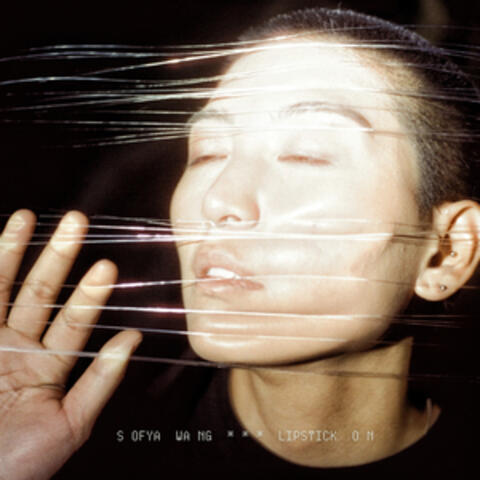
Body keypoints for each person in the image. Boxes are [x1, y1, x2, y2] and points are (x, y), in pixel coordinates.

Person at [0, 6, 479, 478]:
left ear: (447, 251)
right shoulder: (90, 447)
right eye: (208, 152)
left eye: (306, 154)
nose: (218, 200)